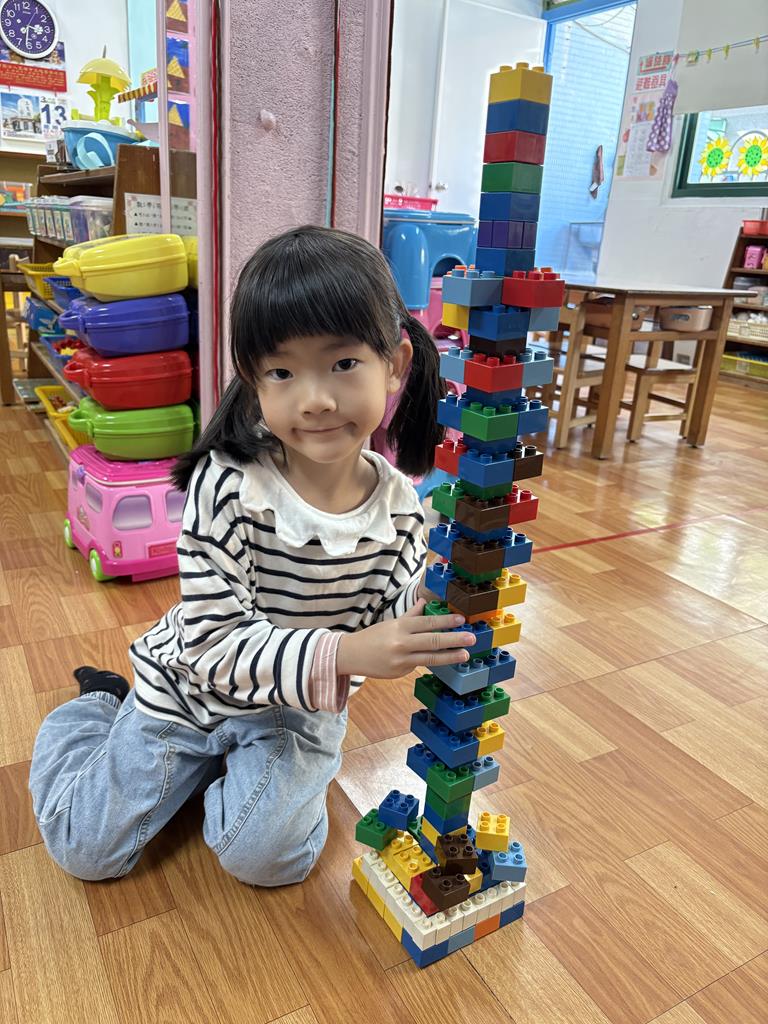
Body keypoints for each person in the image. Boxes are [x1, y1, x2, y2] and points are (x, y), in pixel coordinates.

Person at [28, 225, 478, 886]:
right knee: (83, 847)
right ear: (254, 379)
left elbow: (387, 620)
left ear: (395, 363)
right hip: (191, 688)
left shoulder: (402, 512)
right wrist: (348, 653)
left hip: (297, 711)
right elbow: (213, 645)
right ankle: (96, 709)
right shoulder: (229, 484)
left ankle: (226, 772)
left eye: (343, 363)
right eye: (283, 372)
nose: (315, 399)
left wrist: (428, 600)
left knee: (271, 861)